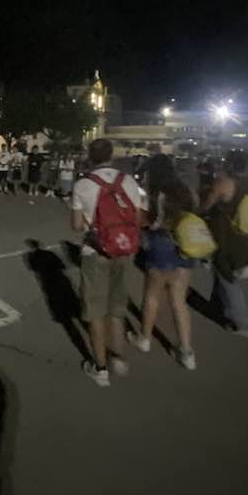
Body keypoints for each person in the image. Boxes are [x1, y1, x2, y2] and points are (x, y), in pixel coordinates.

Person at [70, 138, 145, 387]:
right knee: (116, 307)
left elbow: (76, 225)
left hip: (95, 252)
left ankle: (100, 368)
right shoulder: (128, 181)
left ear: (90, 157)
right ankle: (119, 357)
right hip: (123, 250)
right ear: (111, 155)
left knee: (95, 311)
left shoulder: (83, 184)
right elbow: (138, 218)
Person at [137, 154, 198, 369]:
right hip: (185, 243)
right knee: (178, 300)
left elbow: (147, 221)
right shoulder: (185, 190)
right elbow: (195, 211)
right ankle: (187, 352)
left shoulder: (154, 193)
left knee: (152, 294)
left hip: (161, 243)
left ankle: (144, 339)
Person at [202, 150, 248, 337]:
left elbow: (206, 205)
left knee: (228, 280)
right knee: (220, 275)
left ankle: (243, 324)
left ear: (229, 164)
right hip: (247, 235)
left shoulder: (225, 182)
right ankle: (218, 306)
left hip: (228, 237)